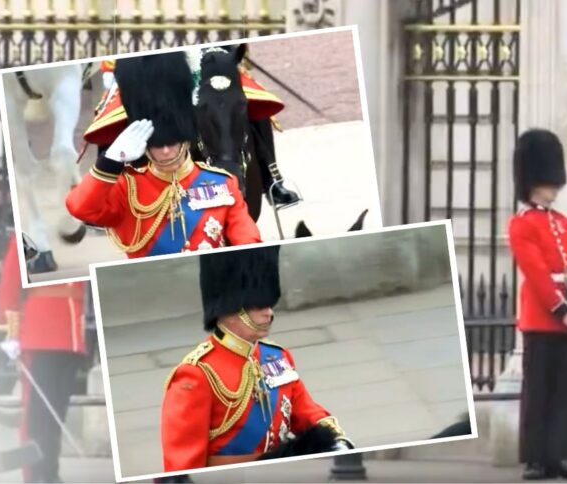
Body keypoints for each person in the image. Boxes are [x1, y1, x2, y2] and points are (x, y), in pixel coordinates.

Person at [160, 245, 353, 473]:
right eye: (259, 305)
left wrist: (336, 441)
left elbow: (306, 411)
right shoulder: (196, 374)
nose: (269, 312)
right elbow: (182, 465)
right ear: (230, 308)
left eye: (269, 304)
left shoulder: (277, 357)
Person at [65, 51, 261, 258]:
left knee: (245, 106)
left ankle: (273, 173)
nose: (166, 151)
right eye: (158, 144)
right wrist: (110, 161)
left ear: (185, 138)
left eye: (171, 142)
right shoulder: (127, 189)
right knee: (105, 116)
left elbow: (248, 239)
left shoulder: (222, 183)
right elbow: (79, 207)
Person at [508, 129, 567, 480]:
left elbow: (566, 270)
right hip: (543, 320)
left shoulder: (564, 223)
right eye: (548, 181)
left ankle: (566, 455)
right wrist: (565, 314)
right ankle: (538, 458)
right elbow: (539, 277)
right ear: (533, 182)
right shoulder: (521, 225)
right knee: (539, 391)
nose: (554, 188)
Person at [0, 232, 87, 483]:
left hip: (71, 338)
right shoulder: (26, 237)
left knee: (56, 415)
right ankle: (37, 475)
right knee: (38, 416)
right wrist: (11, 334)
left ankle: (50, 473)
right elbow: (8, 287)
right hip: (41, 335)